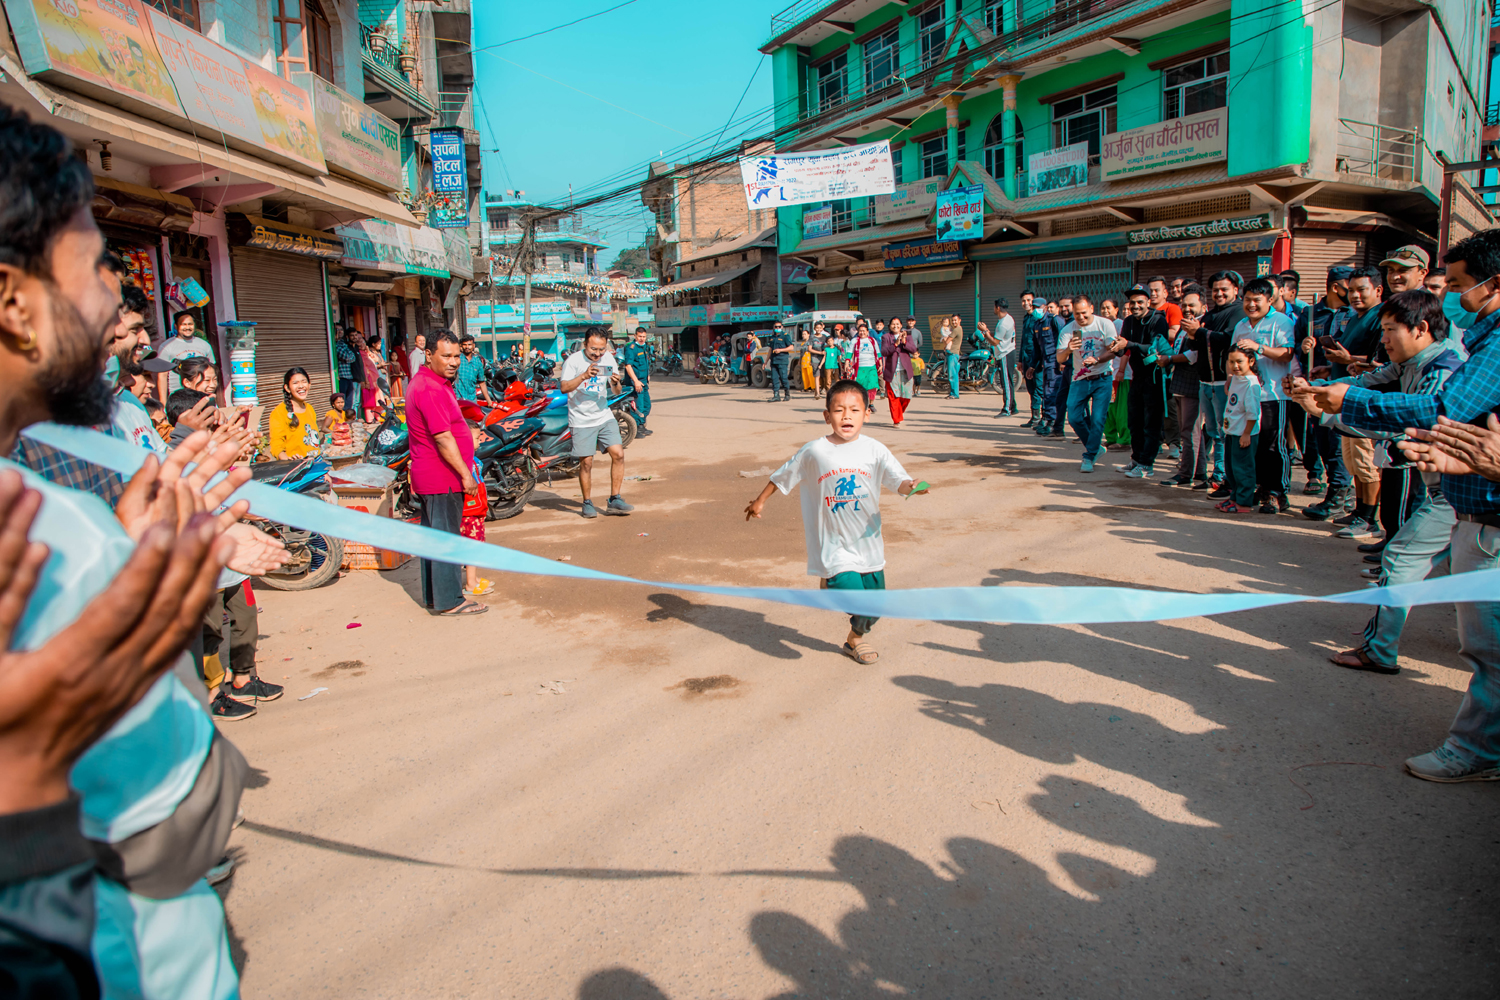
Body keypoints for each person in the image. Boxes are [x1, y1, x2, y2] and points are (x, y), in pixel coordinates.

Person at [0, 101, 270, 998]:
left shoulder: (66, 529)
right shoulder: (47, 543)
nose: (120, 298)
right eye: (95, 264)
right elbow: (189, 819)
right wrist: (139, 592)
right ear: (14, 305)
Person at [1295, 228, 1500, 782]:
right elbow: (1375, 392)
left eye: (1457, 285)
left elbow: (1440, 409)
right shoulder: (1464, 345)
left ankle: (1475, 746)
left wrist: (1348, 400)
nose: (1457, 296)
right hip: (1466, 501)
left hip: (1475, 505)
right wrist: (1328, 402)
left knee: (1419, 572)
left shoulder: (1461, 355)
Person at [1291, 291, 1460, 673]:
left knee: (1400, 559)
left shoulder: (1444, 370)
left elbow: (1403, 422)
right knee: (1469, 577)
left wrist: (1329, 407)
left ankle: (1380, 650)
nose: (1382, 340)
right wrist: (1319, 399)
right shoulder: (1410, 363)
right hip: (1448, 491)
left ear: (1419, 329)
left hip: (1456, 492)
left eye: (1389, 330)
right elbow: (1364, 391)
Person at [744, 379, 926, 665]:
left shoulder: (875, 449)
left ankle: (855, 639)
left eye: (854, 410)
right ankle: (833, 581)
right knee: (857, 600)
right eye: (839, 410)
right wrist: (760, 501)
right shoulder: (815, 450)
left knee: (875, 608)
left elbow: (898, 481)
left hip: (868, 543)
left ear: (867, 414)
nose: (846, 416)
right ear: (827, 416)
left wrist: (911, 487)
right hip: (833, 544)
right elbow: (783, 475)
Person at [407, 331, 486, 616]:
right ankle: (450, 600)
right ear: (429, 355)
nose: (453, 362)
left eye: (455, 356)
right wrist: (466, 475)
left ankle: (436, 596)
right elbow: (443, 437)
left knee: (435, 538)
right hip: (442, 476)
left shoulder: (432, 383)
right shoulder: (429, 388)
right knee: (446, 539)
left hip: (432, 475)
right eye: (446, 356)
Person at [1320, 266, 1385, 536]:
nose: (1355, 295)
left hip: (1363, 399)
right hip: (1345, 397)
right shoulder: (1356, 317)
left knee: (1366, 462)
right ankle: (1359, 511)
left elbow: (1383, 363)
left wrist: (1348, 361)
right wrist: (1327, 369)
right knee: (1353, 462)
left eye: (1362, 290)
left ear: (1378, 291)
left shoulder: (1379, 318)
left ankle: (1370, 518)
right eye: (1352, 290)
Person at [1232, 277, 1298, 512]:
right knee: (1254, 445)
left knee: (1274, 445)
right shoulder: (1241, 326)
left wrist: (1258, 347)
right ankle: (1260, 487)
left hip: (1274, 394)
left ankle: (1277, 492)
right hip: (1248, 395)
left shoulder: (1281, 322)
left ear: (1269, 300)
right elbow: (1234, 359)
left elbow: (1288, 353)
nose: (1251, 305)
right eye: (1247, 300)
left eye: (1256, 300)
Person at [560, 329, 634, 518]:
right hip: (581, 418)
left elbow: (616, 391)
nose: (598, 354)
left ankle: (614, 499)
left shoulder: (608, 360)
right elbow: (564, 387)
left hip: (603, 415)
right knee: (586, 463)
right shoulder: (573, 361)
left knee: (618, 454)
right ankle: (587, 502)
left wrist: (616, 382)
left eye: (601, 349)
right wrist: (584, 376)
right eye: (594, 349)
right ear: (585, 344)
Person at [1299, 266, 1355, 510]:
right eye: (1349, 288)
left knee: (1339, 443)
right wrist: (1304, 348)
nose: (1353, 294)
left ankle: (1339, 493)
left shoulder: (1355, 314)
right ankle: (1337, 488)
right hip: (1317, 387)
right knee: (1321, 440)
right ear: (1335, 287)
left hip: (1345, 388)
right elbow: (1296, 350)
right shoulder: (1310, 314)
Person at [1187, 270, 1246, 494]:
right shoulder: (1210, 315)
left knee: (1224, 431)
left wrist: (1200, 331)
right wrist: (1194, 335)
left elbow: (1227, 340)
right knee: (1212, 430)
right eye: (1215, 290)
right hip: (1205, 382)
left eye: (1224, 289)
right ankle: (1217, 474)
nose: (1219, 294)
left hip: (1225, 382)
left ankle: (1222, 477)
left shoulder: (1238, 311)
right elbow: (1196, 347)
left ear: (1235, 290)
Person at [1056, 294, 1124, 472]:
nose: (1081, 317)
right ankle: (1096, 449)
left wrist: (1098, 359)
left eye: (1084, 313)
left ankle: (1088, 456)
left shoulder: (1105, 324)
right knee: (1074, 417)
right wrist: (1069, 349)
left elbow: (1113, 351)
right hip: (1080, 378)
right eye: (1077, 314)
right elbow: (1059, 358)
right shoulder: (1068, 330)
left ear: (1091, 309)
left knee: (1098, 419)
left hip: (1103, 377)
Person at [1117, 285, 1173, 478]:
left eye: (1140, 302)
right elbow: (1123, 347)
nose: (1136, 306)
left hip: (1155, 377)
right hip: (1137, 377)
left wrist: (1129, 345)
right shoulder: (1128, 321)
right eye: (1132, 302)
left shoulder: (1158, 320)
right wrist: (1115, 347)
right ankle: (1136, 459)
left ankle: (1147, 464)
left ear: (1148, 302)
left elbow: (1154, 346)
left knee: (1151, 423)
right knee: (1134, 421)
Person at [1159, 283, 1209, 488]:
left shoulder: (1202, 327)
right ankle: (1198, 472)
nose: (1187, 309)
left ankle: (1186, 472)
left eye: (1192, 305)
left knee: (1190, 431)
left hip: (1193, 385)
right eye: (1184, 305)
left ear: (1203, 307)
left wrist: (1169, 360)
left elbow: (1193, 356)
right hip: (1179, 383)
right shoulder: (1182, 326)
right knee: (1188, 430)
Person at [1215, 345, 1263, 513]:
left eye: (1239, 362)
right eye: (1231, 362)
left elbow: (1253, 413)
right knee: (1232, 469)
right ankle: (1234, 497)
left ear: (1251, 361)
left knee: (1243, 469)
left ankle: (1244, 503)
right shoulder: (1237, 378)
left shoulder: (1252, 385)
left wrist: (1247, 434)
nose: (1235, 366)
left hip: (1244, 434)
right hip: (1231, 432)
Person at [266, 366, 322, 460]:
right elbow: (276, 444)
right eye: (295, 383)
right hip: (296, 465)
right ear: (287, 388)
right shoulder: (279, 412)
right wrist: (287, 459)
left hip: (316, 460)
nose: (301, 386)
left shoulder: (310, 408)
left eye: (304, 381)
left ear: (309, 385)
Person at [157, 309, 216, 397]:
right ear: (176, 326)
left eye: (190, 324)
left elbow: (212, 370)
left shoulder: (204, 345)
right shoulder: (166, 346)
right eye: (183, 324)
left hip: (203, 395)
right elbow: (162, 376)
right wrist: (163, 402)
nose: (187, 327)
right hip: (178, 396)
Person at [882, 316, 919, 425]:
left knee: (906, 397)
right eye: (893, 324)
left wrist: (904, 342)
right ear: (890, 326)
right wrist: (895, 344)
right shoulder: (886, 337)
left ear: (901, 325)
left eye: (897, 324)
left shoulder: (908, 336)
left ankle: (898, 413)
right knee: (893, 397)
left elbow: (913, 350)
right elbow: (884, 351)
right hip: (892, 371)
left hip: (905, 371)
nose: (895, 326)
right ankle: (896, 419)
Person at [620, 326, 654, 433]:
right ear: (635, 336)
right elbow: (628, 366)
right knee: (638, 407)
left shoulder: (645, 347)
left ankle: (642, 425)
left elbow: (646, 362)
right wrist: (635, 381)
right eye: (640, 336)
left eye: (644, 336)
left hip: (643, 382)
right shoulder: (632, 348)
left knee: (646, 405)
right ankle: (636, 428)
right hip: (635, 383)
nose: (642, 338)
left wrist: (647, 375)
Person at [989, 298, 1019, 415]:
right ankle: (1013, 406)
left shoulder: (1003, 323)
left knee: (1006, 382)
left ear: (997, 308)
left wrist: (985, 333)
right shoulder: (1007, 319)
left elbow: (995, 342)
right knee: (1007, 381)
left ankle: (1007, 409)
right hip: (1007, 352)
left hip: (1005, 353)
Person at [1017, 290, 1043, 424]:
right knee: (1031, 388)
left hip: (1036, 359)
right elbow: (1023, 340)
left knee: (1039, 387)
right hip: (1027, 358)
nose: (1026, 303)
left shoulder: (1038, 318)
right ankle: (1034, 417)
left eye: (1028, 300)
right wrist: (1021, 360)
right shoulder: (1026, 318)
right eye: (1023, 301)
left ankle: (1043, 418)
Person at [454, 334, 491, 403]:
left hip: (472, 400)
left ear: (473, 345)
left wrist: (489, 401)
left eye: (469, 344)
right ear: (461, 346)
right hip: (457, 400)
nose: (467, 347)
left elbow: (482, 383)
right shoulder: (456, 359)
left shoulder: (478, 363)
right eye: (464, 345)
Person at [850, 321, 882, 401]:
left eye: (864, 330)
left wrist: (881, 364)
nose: (862, 332)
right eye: (860, 331)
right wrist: (847, 363)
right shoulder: (854, 341)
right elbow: (849, 353)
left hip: (872, 366)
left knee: (872, 385)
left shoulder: (872, 340)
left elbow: (878, 353)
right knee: (860, 386)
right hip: (860, 367)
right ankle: (862, 402)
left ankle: (871, 403)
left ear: (867, 332)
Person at [337, 326, 364, 416]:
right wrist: (347, 358)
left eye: (341, 330)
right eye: (337, 330)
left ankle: (352, 419)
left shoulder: (347, 345)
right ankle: (347, 418)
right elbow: (348, 357)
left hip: (350, 377)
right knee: (347, 401)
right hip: (343, 377)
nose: (339, 332)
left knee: (352, 401)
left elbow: (352, 358)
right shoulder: (338, 345)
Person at [767, 319, 794, 402]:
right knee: (774, 378)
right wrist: (765, 362)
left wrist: (781, 350)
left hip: (782, 360)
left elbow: (791, 347)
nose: (777, 328)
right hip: (774, 361)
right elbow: (770, 350)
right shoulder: (772, 337)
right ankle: (776, 395)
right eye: (776, 327)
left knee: (783, 378)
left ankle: (787, 394)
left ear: (782, 327)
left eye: (779, 326)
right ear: (773, 327)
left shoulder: (785, 336)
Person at [939, 314, 963, 398]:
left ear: (959, 320)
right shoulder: (957, 329)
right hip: (954, 354)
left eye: (955, 320)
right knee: (955, 375)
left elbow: (947, 340)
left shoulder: (956, 330)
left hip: (952, 354)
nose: (954, 322)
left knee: (952, 375)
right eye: (952, 320)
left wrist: (944, 344)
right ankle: (954, 393)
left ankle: (954, 394)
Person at [797, 329, 817, 393]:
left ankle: (813, 387)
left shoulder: (811, 342)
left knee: (810, 374)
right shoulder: (802, 343)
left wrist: (812, 360)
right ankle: (806, 387)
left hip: (809, 359)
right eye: (803, 334)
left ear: (808, 335)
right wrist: (799, 360)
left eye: (805, 334)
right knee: (804, 374)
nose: (803, 335)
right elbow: (801, 353)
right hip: (803, 360)